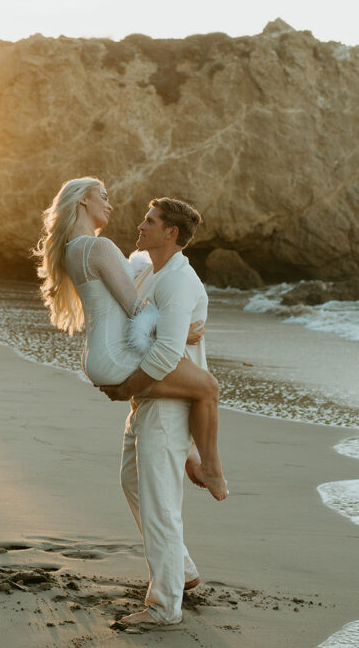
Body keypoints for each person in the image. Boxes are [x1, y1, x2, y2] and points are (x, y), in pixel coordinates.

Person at [32, 176, 227, 501]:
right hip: (114, 357)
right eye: (103, 196)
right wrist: (180, 333)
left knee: (188, 383)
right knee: (207, 387)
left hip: (99, 355)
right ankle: (212, 468)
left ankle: (192, 455)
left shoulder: (73, 249)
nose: (110, 204)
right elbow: (135, 307)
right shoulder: (98, 246)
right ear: (83, 200)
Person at [100, 194, 215, 627]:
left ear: (172, 233)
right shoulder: (150, 272)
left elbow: (166, 353)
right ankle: (180, 571)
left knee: (161, 503)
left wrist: (126, 386)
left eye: (150, 221)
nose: (140, 225)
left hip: (167, 405)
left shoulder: (178, 281)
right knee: (133, 481)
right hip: (147, 400)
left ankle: (164, 606)